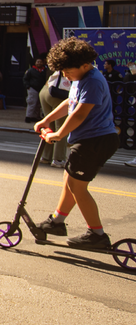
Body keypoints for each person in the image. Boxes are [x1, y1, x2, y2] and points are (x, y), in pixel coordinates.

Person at [34, 37, 120, 252]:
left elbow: (80, 113)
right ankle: (57, 221)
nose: (65, 75)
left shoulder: (93, 81)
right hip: (88, 140)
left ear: (84, 65)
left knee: (77, 187)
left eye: (67, 71)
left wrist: (59, 134)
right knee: (69, 181)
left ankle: (96, 234)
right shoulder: (80, 78)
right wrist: (47, 120)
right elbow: (69, 103)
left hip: (96, 141)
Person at [37, 65, 72, 168]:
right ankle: (58, 159)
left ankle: (46, 157)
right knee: (61, 127)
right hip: (59, 93)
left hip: (45, 90)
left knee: (50, 126)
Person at [23, 55, 48, 123]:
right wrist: (28, 86)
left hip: (41, 88)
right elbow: (25, 79)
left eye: (40, 62)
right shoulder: (31, 70)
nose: (39, 63)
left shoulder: (45, 71)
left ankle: (36, 116)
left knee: (39, 104)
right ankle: (28, 116)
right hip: (32, 88)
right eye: (38, 62)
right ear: (35, 63)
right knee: (32, 102)